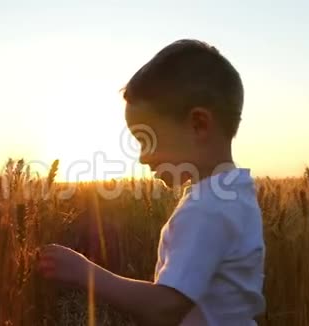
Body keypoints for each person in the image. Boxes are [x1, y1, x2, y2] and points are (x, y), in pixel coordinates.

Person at [37, 39, 266, 325]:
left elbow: (166, 306)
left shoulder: (207, 208)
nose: (143, 158)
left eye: (147, 140)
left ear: (198, 124)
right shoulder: (236, 192)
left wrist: (86, 273)